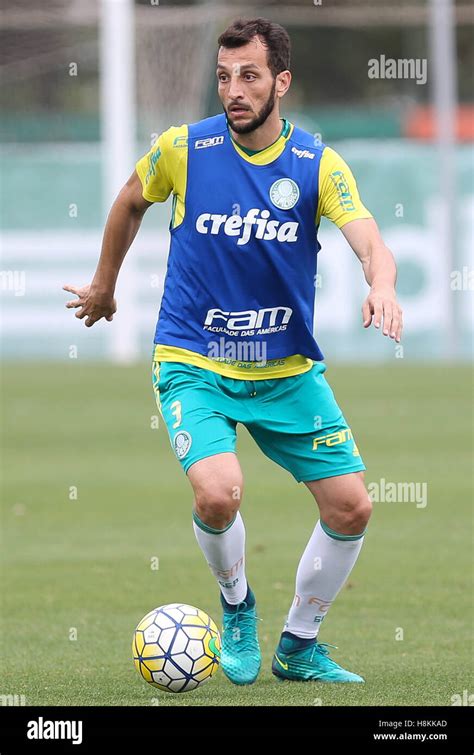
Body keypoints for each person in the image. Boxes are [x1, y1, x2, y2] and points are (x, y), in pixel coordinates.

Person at [64, 17, 403, 686]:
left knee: (352, 506)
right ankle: (237, 606)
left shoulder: (315, 164)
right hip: (196, 359)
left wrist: (383, 283)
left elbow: (368, 238)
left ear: (281, 80)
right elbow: (130, 200)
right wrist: (104, 284)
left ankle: (299, 645)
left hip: (286, 371)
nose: (233, 90)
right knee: (218, 493)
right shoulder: (182, 148)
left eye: (249, 76)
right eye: (224, 77)